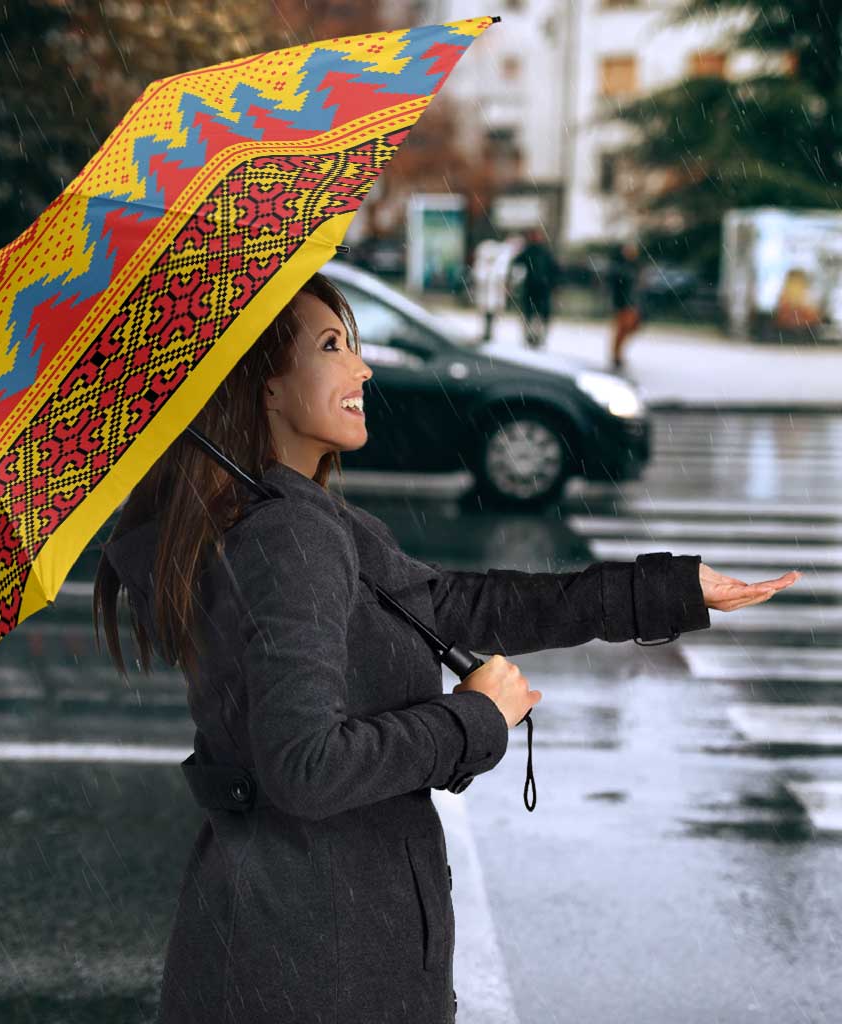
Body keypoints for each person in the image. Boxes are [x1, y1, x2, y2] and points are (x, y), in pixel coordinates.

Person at [94, 271, 795, 1024]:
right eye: (332, 346)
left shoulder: (293, 518)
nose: (362, 367)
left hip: (296, 942)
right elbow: (305, 768)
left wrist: (668, 591)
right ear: (263, 385)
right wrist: (473, 719)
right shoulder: (287, 537)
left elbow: (458, 605)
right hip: (316, 962)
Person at [510, 226, 560, 349]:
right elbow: (516, 264)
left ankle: (537, 337)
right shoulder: (530, 251)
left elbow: (554, 270)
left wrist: (553, 284)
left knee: (538, 315)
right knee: (531, 314)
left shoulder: (543, 252)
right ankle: (531, 337)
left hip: (541, 288)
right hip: (533, 288)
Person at [608, 239, 644, 370]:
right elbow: (617, 286)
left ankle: (617, 354)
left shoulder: (635, 266)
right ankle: (616, 355)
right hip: (623, 303)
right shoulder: (620, 267)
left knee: (630, 328)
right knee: (622, 329)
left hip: (632, 303)